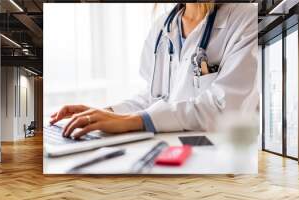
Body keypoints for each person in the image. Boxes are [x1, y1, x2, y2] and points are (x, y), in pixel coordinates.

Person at [50, 3, 258, 139]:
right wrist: (106, 113)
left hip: (220, 158)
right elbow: (153, 97)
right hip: (169, 148)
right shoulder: (162, 26)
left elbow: (226, 109)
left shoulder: (244, 18)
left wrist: (136, 121)